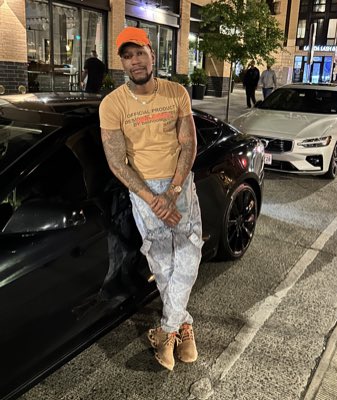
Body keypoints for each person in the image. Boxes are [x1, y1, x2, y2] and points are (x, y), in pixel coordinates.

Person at [99, 27, 203, 371]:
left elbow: (188, 144)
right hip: (143, 190)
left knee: (188, 251)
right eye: (127, 56)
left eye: (139, 53)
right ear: (122, 63)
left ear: (152, 54)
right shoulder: (112, 104)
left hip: (179, 184)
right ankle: (182, 330)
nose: (135, 61)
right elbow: (117, 162)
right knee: (161, 260)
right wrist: (152, 199)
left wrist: (172, 192)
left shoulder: (176, 93)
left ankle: (168, 330)